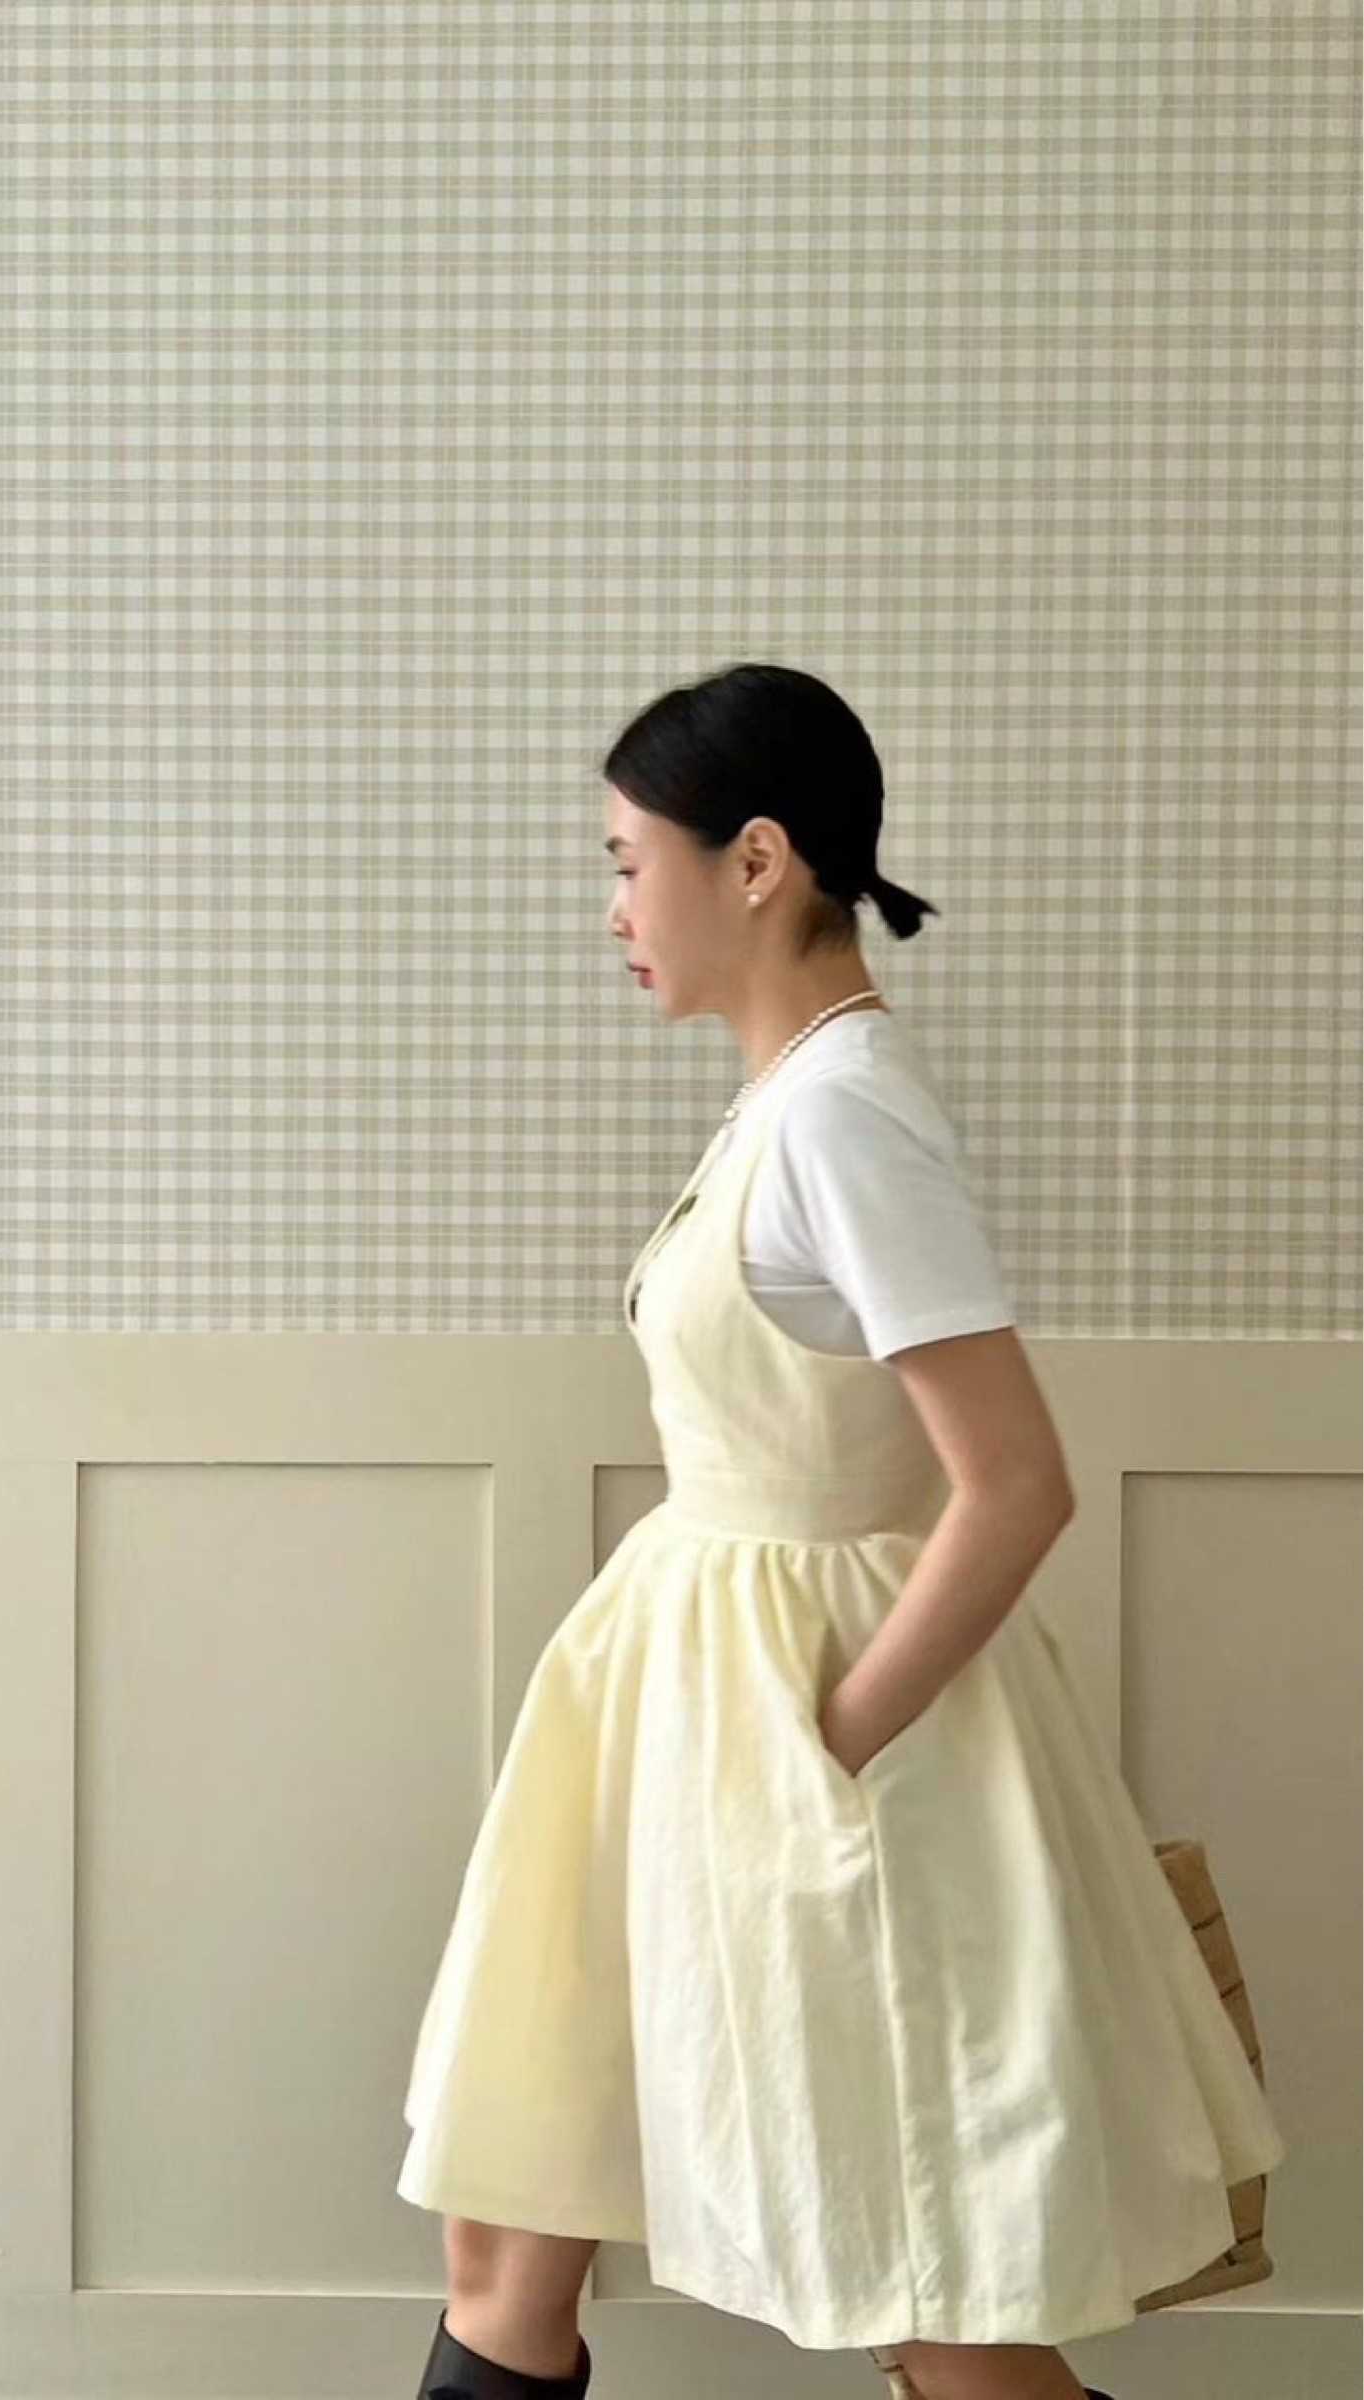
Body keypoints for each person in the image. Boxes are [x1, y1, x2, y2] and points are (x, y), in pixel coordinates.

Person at [395, 663, 1287, 2400]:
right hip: (678, 1702)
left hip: (807, 1729)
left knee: (922, 2284)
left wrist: (829, 1740)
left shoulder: (843, 1115)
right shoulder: (790, 1100)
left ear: (753, 861)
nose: (611, 911)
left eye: (626, 862)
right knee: (510, 2230)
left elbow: (1012, 1482)